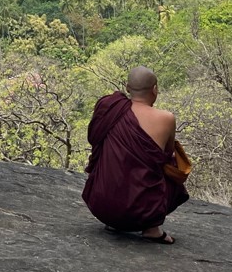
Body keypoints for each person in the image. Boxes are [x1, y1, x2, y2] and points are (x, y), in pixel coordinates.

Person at [81, 66, 189, 244]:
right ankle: (152, 229)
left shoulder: (109, 107)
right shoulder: (166, 118)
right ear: (155, 89)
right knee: (171, 164)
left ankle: (115, 222)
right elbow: (167, 153)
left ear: (127, 87)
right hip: (141, 213)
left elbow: (95, 140)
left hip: (101, 207)